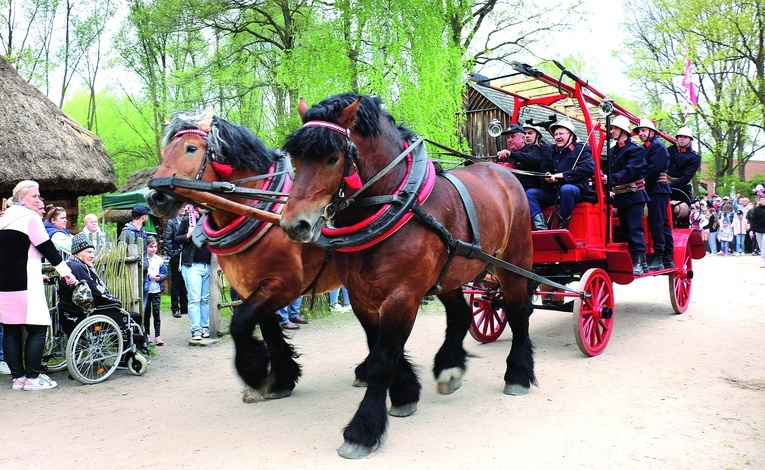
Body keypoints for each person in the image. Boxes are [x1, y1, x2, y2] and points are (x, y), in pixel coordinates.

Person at [0, 180, 77, 391]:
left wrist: (38, 273)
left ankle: (18, 379)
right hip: (26, 285)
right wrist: (67, 273)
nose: (38, 200)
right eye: (34, 196)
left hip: (5, 284)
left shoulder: (4, 219)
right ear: (22, 198)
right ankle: (33, 378)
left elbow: (13, 255)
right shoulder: (30, 218)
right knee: (38, 329)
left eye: (39, 196)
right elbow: (48, 249)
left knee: (11, 330)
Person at [57, 233, 150, 354]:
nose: (92, 256)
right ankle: (126, 355)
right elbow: (95, 292)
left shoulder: (69, 265)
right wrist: (114, 301)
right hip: (86, 313)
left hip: (70, 312)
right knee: (132, 317)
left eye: (93, 253)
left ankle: (123, 352)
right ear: (78, 252)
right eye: (89, 252)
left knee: (120, 316)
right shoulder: (79, 267)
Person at [525, 119, 595, 230]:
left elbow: (588, 167)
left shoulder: (581, 149)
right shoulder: (551, 151)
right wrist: (547, 177)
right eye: (556, 134)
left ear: (571, 135)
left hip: (575, 191)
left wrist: (561, 175)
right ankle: (541, 227)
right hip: (554, 191)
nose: (557, 137)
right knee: (530, 193)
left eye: (561, 134)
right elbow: (543, 169)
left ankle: (562, 226)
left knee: (566, 189)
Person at [602, 115, 650, 275]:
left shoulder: (636, 149)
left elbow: (631, 170)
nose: (612, 131)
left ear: (623, 130)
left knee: (634, 228)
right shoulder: (612, 151)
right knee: (625, 229)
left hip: (634, 195)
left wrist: (611, 178)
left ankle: (639, 261)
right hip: (620, 196)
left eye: (614, 128)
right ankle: (640, 262)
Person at [634, 119, 674, 270]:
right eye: (640, 131)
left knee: (658, 222)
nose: (641, 134)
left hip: (657, 188)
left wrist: (642, 185)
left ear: (652, 132)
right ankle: (667, 257)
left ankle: (661, 256)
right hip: (652, 187)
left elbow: (654, 170)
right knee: (660, 222)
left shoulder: (658, 146)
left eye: (644, 131)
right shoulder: (646, 147)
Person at [178, 205, 211, 340]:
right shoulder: (188, 220)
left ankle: (205, 328)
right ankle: (196, 330)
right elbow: (176, 238)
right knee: (195, 298)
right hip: (192, 266)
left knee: (205, 299)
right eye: (201, 206)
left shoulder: (210, 222)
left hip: (208, 266)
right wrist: (188, 234)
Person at [496, 123, 544, 190]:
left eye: (513, 137)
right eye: (508, 137)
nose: (509, 140)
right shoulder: (504, 155)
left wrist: (511, 154)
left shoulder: (532, 148)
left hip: (527, 190)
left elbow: (535, 159)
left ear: (523, 138)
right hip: (507, 189)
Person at [163, 206, 189, 318]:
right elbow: (167, 240)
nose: (183, 209)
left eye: (184, 207)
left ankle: (184, 306)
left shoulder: (188, 220)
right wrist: (173, 254)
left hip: (186, 256)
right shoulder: (171, 222)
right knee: (176, 283)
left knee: (184, 282)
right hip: (176, 257)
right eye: (180, 207)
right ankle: (175, 308)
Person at [143, 236, 168, 345]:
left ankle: (158, 335)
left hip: (156, 290)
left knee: (156, 313)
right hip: (147, 291)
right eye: (151, 247)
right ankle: (147, 334)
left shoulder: (159, 260)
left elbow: (165, 272)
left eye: (155, 247)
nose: (153, 249)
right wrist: (148, 276)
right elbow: (141, 273)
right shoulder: (143, 259)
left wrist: (160, 277)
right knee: (146, 313)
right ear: (146, 247)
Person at [666, 126, 701, 204]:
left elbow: (686, 177)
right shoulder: (668, 150)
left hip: (682, 190)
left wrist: (669, 186)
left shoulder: (695, 157)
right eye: (680, 136)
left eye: (685, 137)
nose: (682, 139)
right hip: (664, 185)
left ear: (690, 140)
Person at [748, 195, 765, 267]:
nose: (763, 201)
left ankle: (763, 259)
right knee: (761, 245)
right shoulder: (757, 209)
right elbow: (753, 220)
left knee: (764, 245)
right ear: (759, 201)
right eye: (762, 200)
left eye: (764, 200)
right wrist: (751, 230)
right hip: (758, 229)